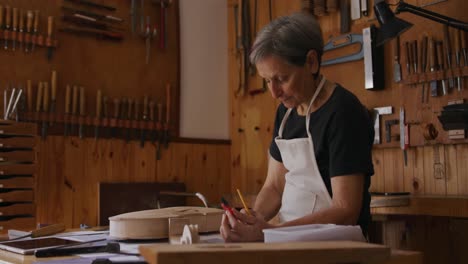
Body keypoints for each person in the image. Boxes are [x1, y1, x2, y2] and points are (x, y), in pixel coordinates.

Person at [220, 12, 374, 242]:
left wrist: (269, 232)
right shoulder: (286, 113)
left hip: (337, 248)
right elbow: (274, 186)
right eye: (267, 81)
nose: (274, 93)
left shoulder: (343, 111)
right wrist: (252, 218)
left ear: (311, 62)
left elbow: (346, 210)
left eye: (281, 79)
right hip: (289, 241)